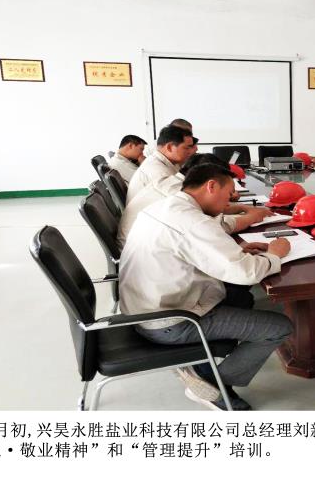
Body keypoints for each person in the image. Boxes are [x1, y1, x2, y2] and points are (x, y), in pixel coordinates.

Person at [119, 163, 294, 411]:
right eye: (229, 193)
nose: (230, 200)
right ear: (211, 186)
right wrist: (275, 254)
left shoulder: (165, 207)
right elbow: (247, 273)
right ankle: (211, 384)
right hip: (171, 322)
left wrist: (237, 250)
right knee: (279, 328)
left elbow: (187, 250)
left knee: (240, 298)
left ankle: (201, 364)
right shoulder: (193, 222)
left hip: (144, 309)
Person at [118, 153, 271, 246]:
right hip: (147, 261)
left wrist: (243, 208)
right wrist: (251, 217)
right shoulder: (175, 193)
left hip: (145, 251)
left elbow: (211, 212)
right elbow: (215, 226)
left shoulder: (175, 184)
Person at [126, 125, 195, 204]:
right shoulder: (156, 169)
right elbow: (182, 200)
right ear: (169, 147)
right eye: (187, 148)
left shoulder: (164, 162)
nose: (191, 151)